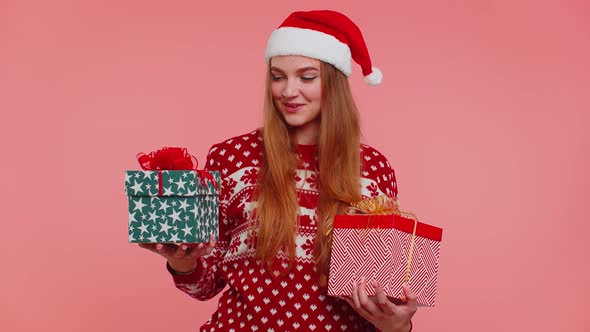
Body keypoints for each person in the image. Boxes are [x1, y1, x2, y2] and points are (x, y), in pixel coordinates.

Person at [139, 9, 417, 332]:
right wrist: (183, 261)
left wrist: (398, 326)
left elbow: (384, 293)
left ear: (334, 83)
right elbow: (207, 285)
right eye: (278, 76)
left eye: (307, 77)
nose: (288, 91)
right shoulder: (232, 159)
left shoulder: (374, 170)